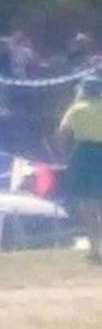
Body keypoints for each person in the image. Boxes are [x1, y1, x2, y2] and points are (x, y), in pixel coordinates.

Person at [58, 77, 102, 263]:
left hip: (83, 154)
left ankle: (94, 248)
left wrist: (64, 155)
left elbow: (62, 135)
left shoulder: (76, 110)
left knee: (87, 205)